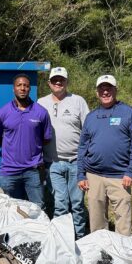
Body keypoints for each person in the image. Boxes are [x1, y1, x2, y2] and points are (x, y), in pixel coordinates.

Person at [77, 74, 132, 236]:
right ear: (97, 92)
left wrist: (131, 171)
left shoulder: (129, 113)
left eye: (109, 88)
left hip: (120, 177)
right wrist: (81, 174)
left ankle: (124, 254)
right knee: (97, 222)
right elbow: (82, 147)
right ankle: (101, 254)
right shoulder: (91, 117)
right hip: (94, 176)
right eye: (102, 89)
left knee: (123, 221)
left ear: (115, 90)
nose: (105, 92)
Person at [38, 66, 89, 238]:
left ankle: (80, 239)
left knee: (77, 203)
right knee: (60, 203)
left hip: (76, 162)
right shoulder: (41, 103)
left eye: (61, 79)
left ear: (67, 82)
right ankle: (61, 240)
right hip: (52, 163)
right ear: (49, 83)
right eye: (54, 80)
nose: (58, 82)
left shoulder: (78, 101)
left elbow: (88, 131)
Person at [0, 73, 52, 209]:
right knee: (10, 210)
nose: (22, 88)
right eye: (19, 85)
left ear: (30, 89)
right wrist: (10, 148)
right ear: (14, 89)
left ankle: (36, 231)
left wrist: (31, 148)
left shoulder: (41, 112)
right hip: (9, 171)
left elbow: (46, 138)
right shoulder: (3, 112)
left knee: (38, 209)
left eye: (26, 85)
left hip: (33, 171)